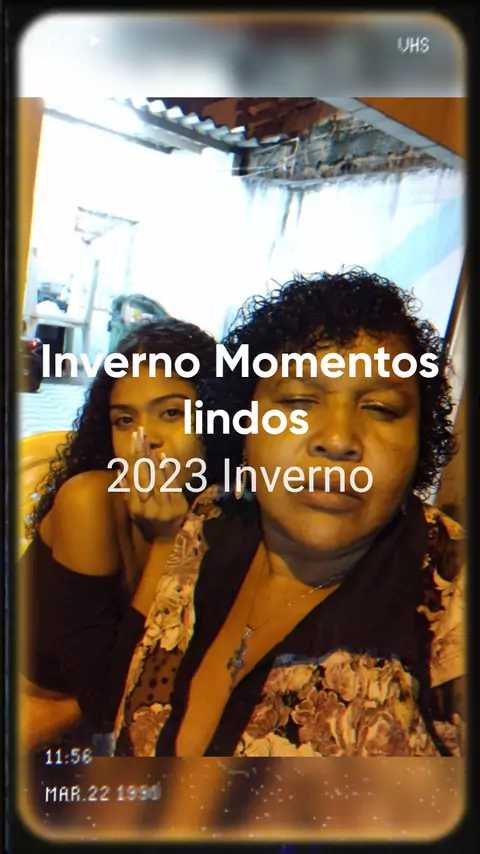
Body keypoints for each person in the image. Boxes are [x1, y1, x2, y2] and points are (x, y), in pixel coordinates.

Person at [114, 270, 465, 759]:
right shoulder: (209, 521)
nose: (338, 440)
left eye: (381, 408)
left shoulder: (450, 598)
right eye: (299, 402)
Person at [20, 317, 218, 752]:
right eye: (124, 420)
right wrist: (167, 543)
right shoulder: (89, 502)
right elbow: (109, 707)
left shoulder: (222, 512)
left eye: (172, 413)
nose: (144, 440)